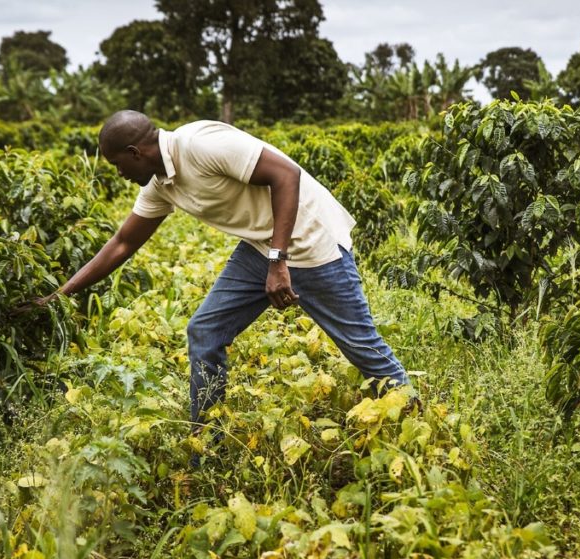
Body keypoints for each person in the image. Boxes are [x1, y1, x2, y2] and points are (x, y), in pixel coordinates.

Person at [40, 110, 411, 435]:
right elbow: (122, 242)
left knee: (364, 349)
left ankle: (416, 419)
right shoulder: (160, 184)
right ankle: (208, 441)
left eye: (117, 164)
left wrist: (278, 262)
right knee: (206, 330)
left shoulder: (201, 144)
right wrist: (59, 294)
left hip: (312, 243)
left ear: (137, 153)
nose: (118, 174)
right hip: (261, 249)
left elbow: (286, 175)